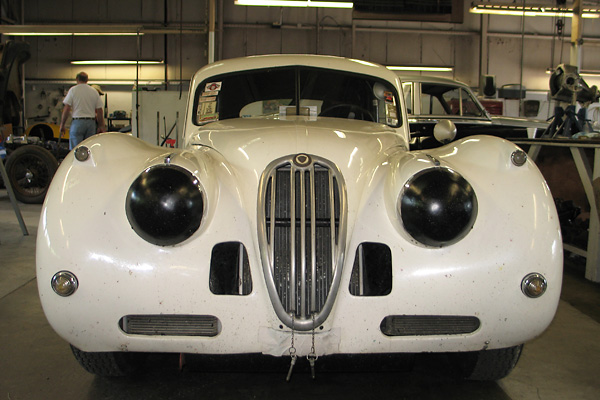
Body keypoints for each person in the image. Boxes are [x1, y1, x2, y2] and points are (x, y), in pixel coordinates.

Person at [59, 72, 106, 149]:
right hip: (91, 123)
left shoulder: (73, 90)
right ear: (87, 80)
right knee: (90, 149)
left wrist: (62, 124)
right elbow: (99, 110)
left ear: (77, 79)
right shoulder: (93, 91)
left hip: (77, 123)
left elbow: (67, 108)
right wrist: (101, 126)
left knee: (76, 150)